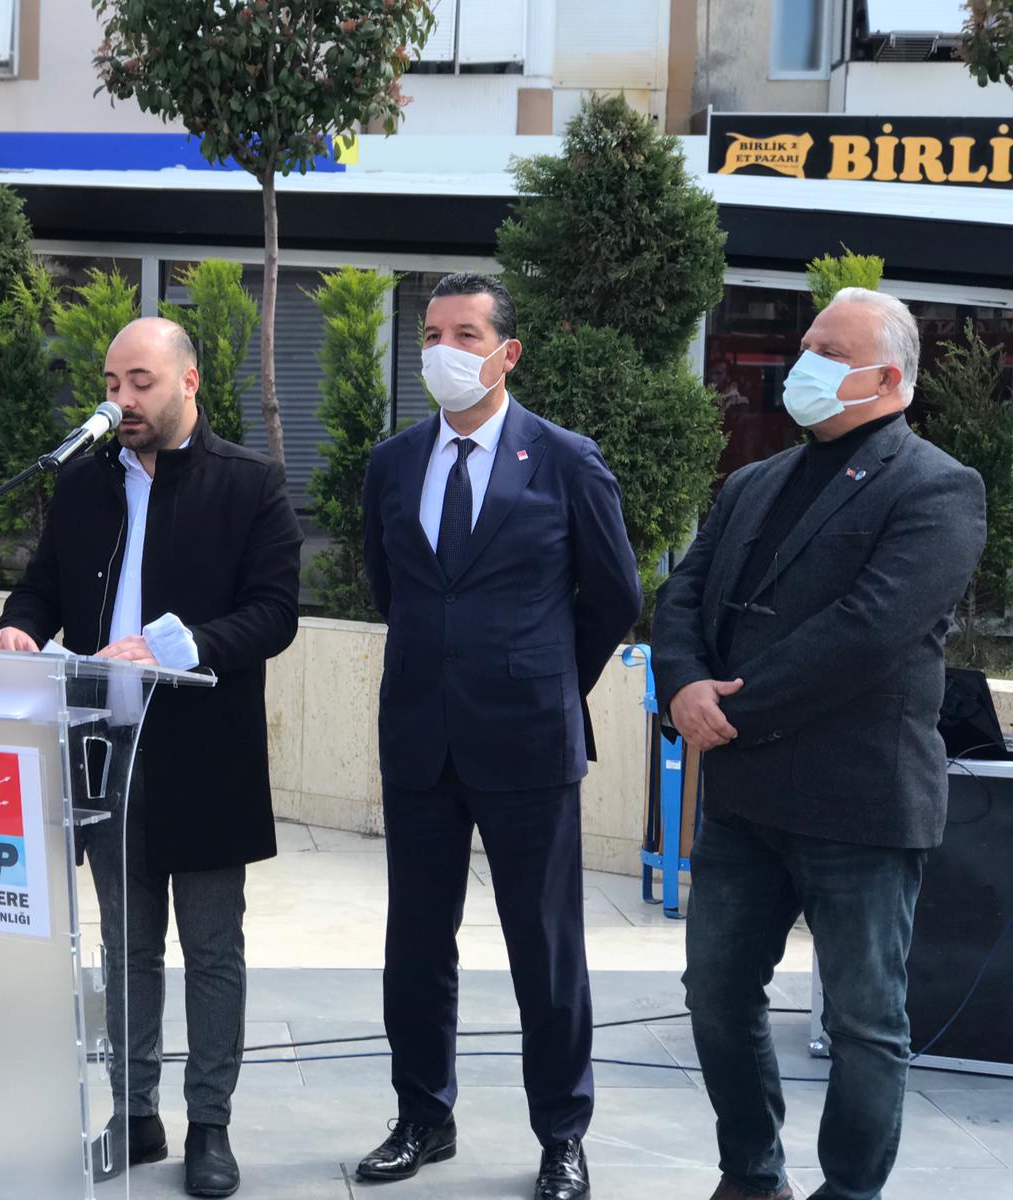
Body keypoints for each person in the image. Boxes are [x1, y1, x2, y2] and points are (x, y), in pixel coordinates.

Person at [652, 288, 985, 1200]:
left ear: (889, 379)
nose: (805, 363)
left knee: (866, 1023)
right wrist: (681, 684)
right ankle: (751, 1175)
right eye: (808, 345)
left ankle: (849, 1190)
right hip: (746, 803)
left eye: (830, 352)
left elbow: (869, 631)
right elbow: (683, 596)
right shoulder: (754, 481)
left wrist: (731, 710)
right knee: (716, 996)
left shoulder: (938, 487)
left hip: (860, 805)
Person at [0, 317, 301, 1198]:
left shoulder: (250, 483)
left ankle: (210, 1125)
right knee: (126, 949)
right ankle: (134, 1114)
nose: (120, 399)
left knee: (211, 948)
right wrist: (19, 624)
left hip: (205, 757)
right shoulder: (85, 482)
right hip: (105, 755)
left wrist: (180, 645)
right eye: (111, 382)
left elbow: (276, 612)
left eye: (140, 382)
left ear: (188, 383)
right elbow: (43, 583)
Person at [357, 273, 641, 1200]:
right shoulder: (394, 462)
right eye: (433, 333)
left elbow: (615, 596)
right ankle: (422, 1117)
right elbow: (390, 588)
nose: (444, 349)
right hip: (419, 738)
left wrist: (545, 677)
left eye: (466, 334)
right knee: (416, 943)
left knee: (544, 948)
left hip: (528, 742)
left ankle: (562, 1135)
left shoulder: (565, 460)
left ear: (507, 352)